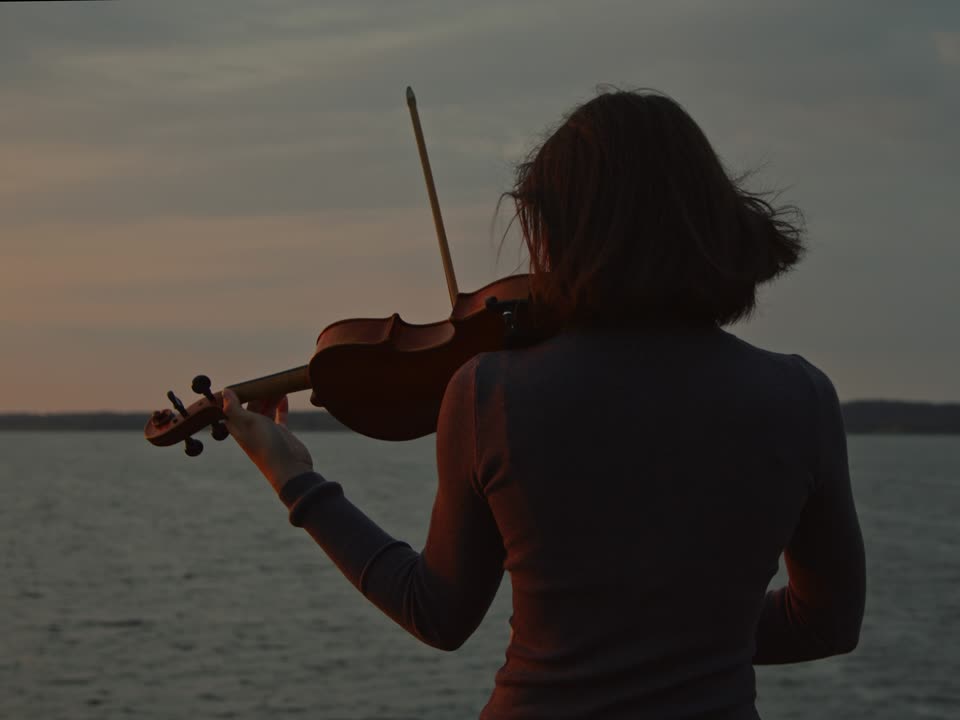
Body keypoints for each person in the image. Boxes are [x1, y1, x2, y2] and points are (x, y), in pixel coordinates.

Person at [221, 88, 866, 719]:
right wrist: (696, 637)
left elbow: (437, 613)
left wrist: (294, 477)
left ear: (566, 231)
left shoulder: (489, 393)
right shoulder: (799, 398)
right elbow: (827, 624)